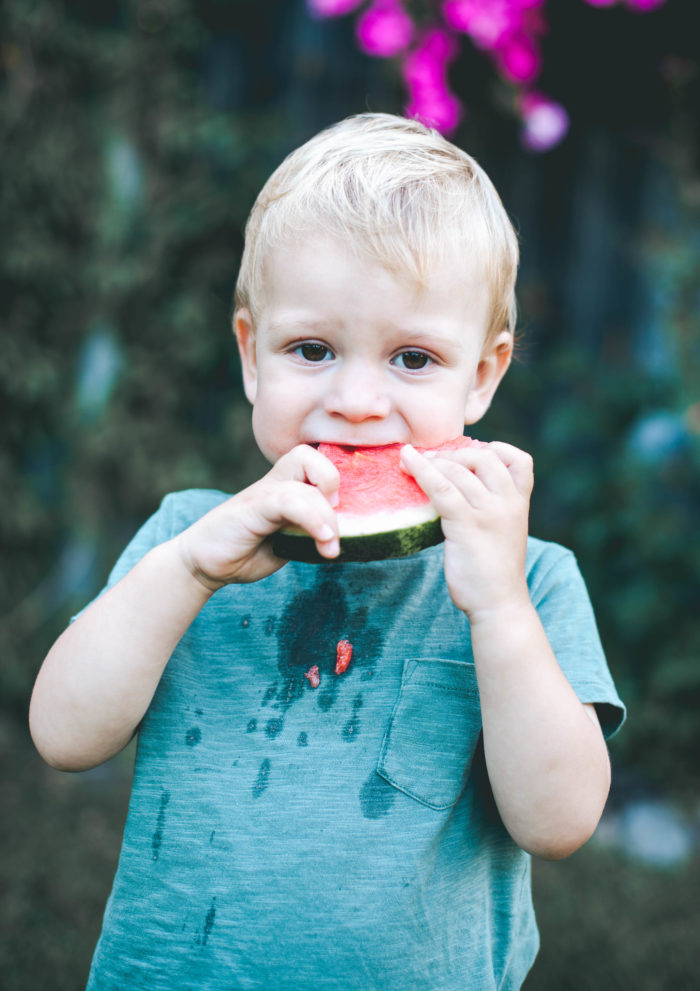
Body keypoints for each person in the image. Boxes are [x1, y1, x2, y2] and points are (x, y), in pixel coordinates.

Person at [29, 113, 625, 991]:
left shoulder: (531, 579)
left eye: (413, 358)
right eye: (312, 349)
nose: (354, 399)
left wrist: (498, 608)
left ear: (486, 375)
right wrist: (188, 569)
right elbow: (62, 735)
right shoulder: (186, 539)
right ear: (250, 356)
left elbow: (560, 820)